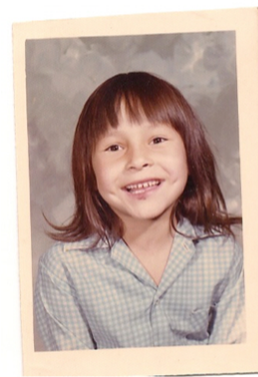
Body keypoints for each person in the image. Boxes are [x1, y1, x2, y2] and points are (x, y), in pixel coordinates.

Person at [35, 71, 245, 351]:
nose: (138, 160)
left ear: (190, 155)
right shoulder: (63, 269)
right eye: (114, 147)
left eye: (157, 140)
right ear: (90, 171)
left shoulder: (224, 254)